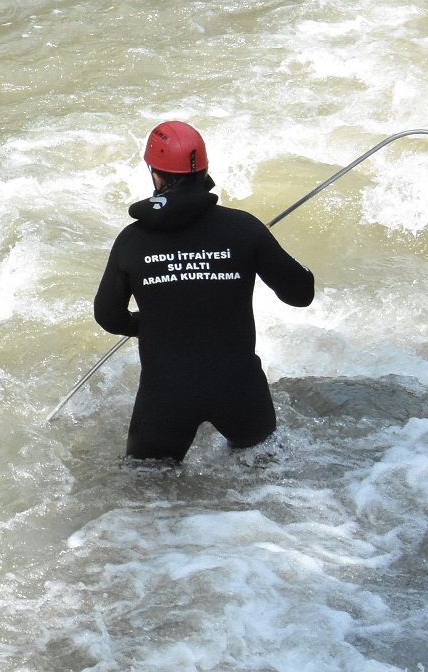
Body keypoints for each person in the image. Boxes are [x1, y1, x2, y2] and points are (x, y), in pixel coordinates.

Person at [93, 120, 316, 463]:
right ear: (205, 169)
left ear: (156, 174)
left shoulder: (132, 240)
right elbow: (300, 294)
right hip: (240, 391)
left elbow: (108, 316)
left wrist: (145, 324)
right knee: (268, 482)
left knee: (147, 495)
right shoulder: (243, 228)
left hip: (165, 395)